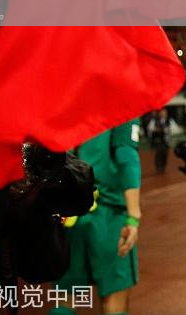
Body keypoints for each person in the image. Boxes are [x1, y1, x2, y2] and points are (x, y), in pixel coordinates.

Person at [50, 118, 143, 315]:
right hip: (107, 216)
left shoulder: (64, 106)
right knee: (114, 301)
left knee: (65, 300)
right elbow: (126, 157)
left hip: (68, 216)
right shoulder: (122, 107)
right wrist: (133, 216)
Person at [146, 108, 179, 174]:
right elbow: (149, 128)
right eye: (162, 112)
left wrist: (168, 130)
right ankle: (158, 167)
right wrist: (157, 130)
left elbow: (176, 129)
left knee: (165, 154)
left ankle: (163, 166)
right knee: (158, 153)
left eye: (164, 112)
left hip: (166, 140)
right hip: (158, 140)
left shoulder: (169, 120)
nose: (163, 114)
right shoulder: (155, 120)